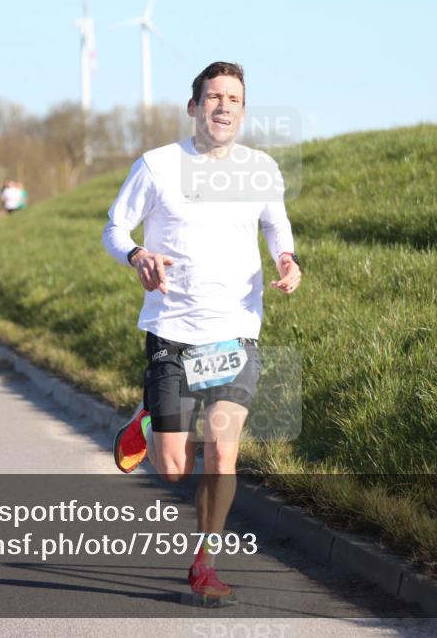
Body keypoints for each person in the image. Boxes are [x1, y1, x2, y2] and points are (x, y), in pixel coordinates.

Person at [101, 61, 301, 605]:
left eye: (233, 99)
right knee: (171, 467)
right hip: (172, 332)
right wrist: (137, 254)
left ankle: (205, 563)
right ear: (193, 107)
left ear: (242, 109)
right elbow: (114, 227)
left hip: (234, 331)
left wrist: (287, 257)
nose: (223, 107)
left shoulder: (260, 168)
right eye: (213, 97)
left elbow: (275, 222)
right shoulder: (159, 166)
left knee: (223, 449)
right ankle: (147, 417)